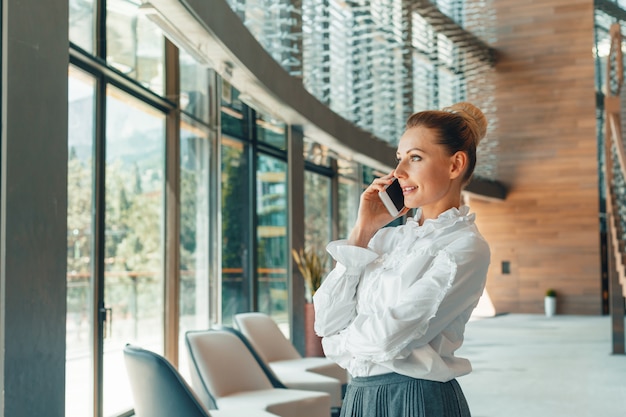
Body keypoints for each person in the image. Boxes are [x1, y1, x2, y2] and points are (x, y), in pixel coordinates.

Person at [313, 102, 491, 417]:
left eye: (415, 158)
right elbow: (325, 320)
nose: (398, 173)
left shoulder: (465, 248)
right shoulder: (384, 239)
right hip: (359, 397)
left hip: (417, 400)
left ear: (455, 165)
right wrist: (363, 230)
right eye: (399, 159)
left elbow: (386, 339)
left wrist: (338, 343)